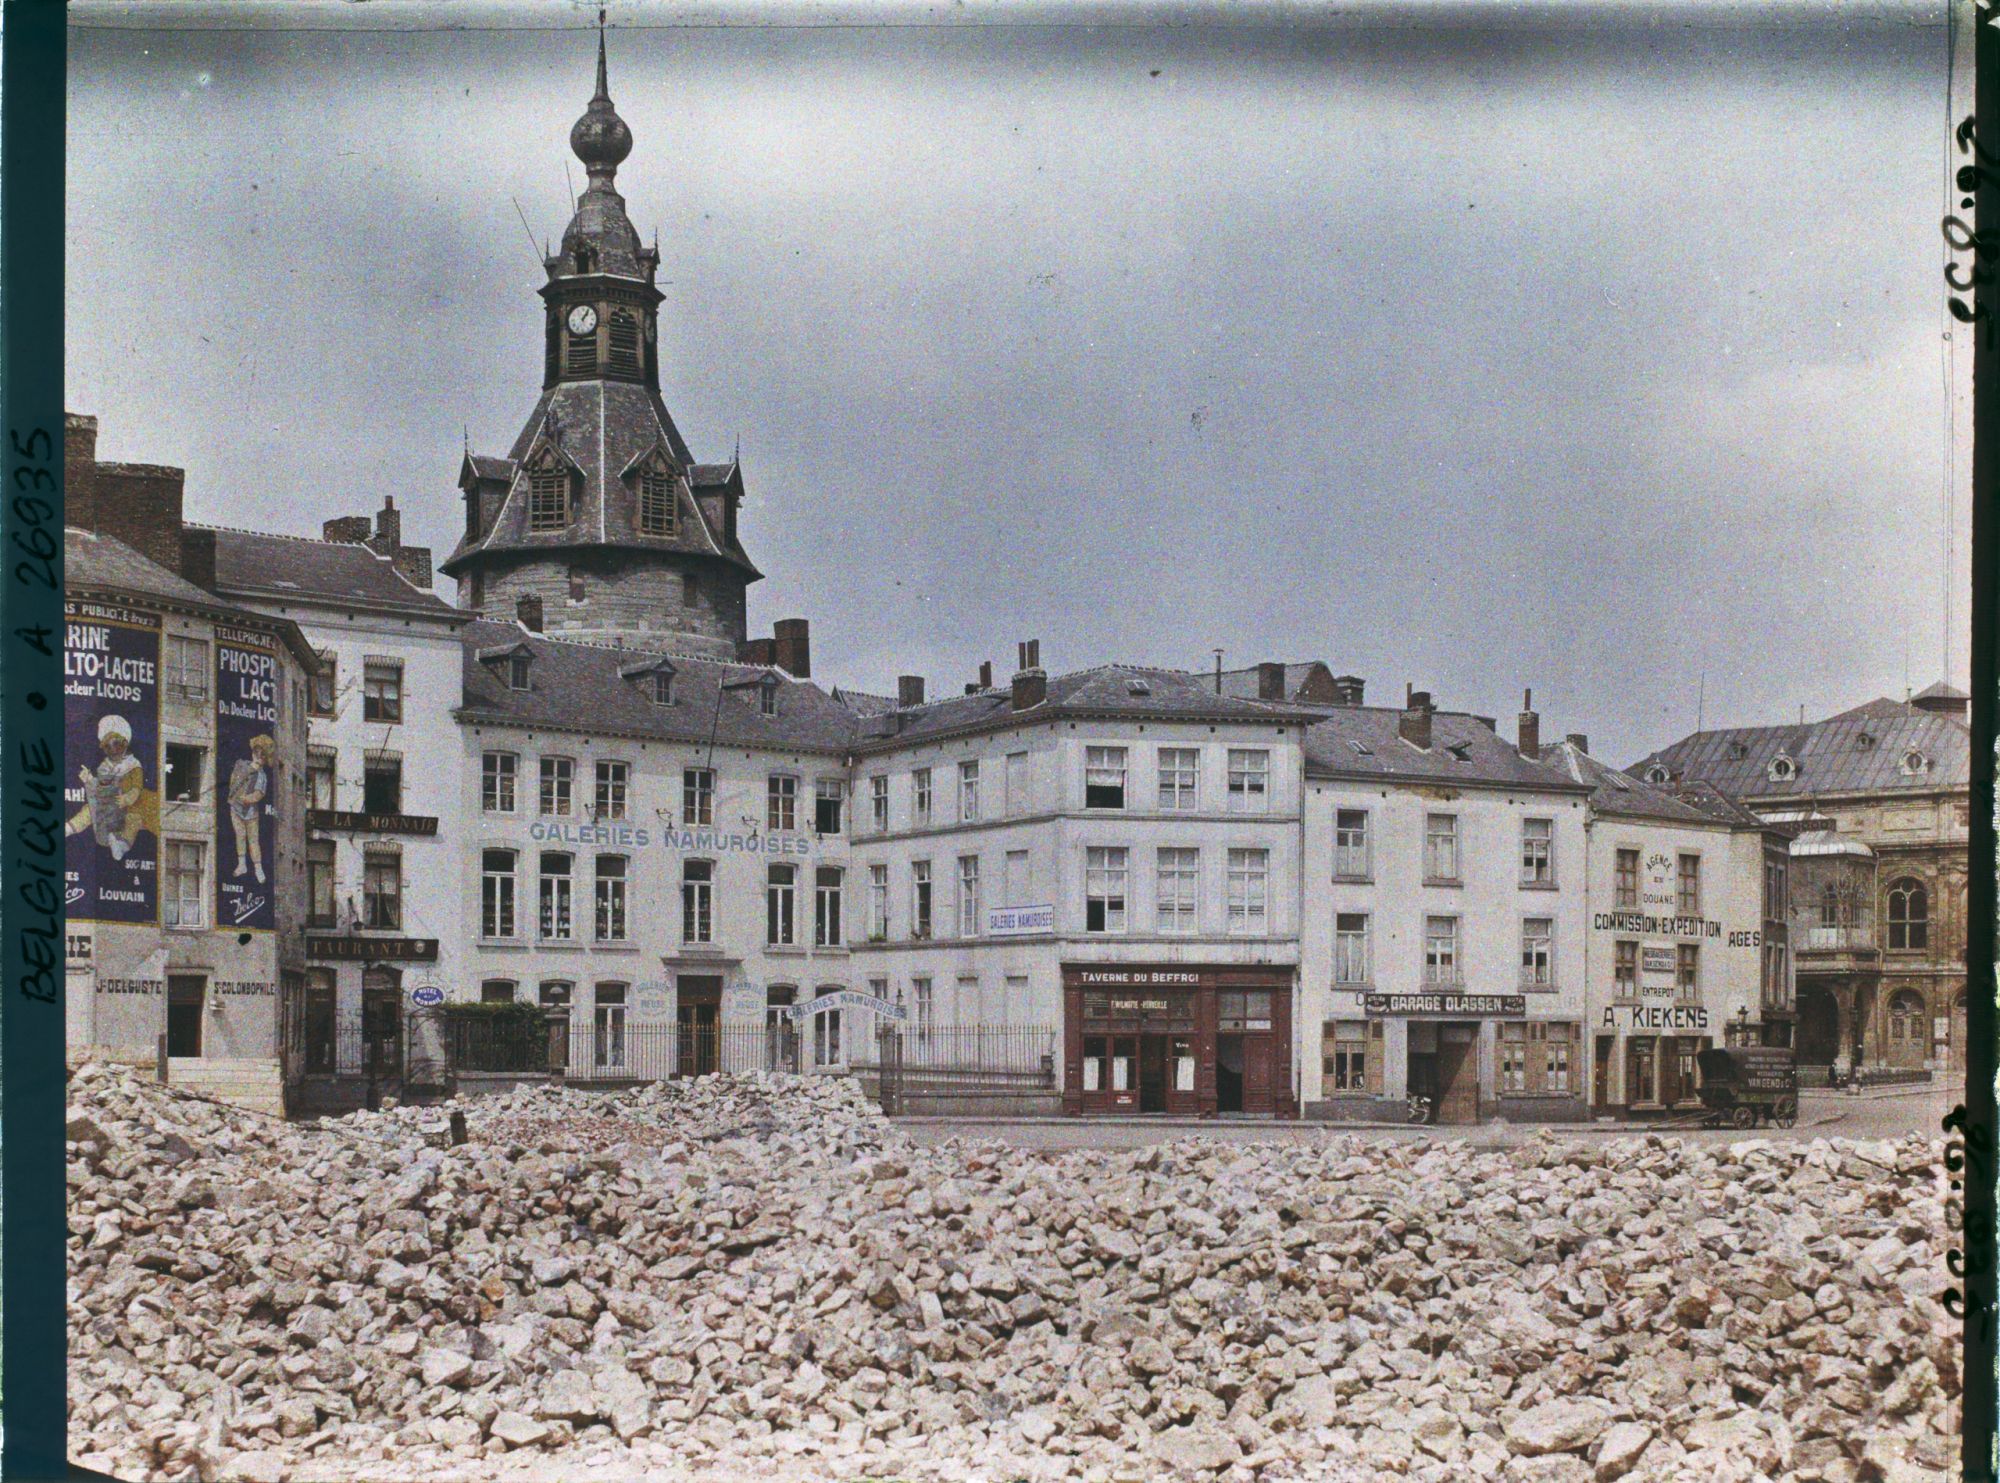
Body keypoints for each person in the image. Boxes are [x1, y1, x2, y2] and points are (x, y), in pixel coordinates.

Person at [66, 713, 157, 859]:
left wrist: (127, 799)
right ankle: (68, 828)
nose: (111, 749)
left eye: (114, 744)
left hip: (131, 807)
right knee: (90, 809)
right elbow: (101, 788)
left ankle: (121, 846)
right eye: (106, 746)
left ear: (124, 743)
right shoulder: (105, 767)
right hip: (110, 808)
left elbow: (136, 788)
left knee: (133, 819)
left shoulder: (133, 765)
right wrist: (89, 779)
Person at [226, 733, 275, 883]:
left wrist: (247, 799)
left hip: (251, 812)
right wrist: (235, 795)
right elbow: (233, 780)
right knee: (239, 836)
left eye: (262, 756)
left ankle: (258, 869)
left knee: (253, 840)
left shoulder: (262, 776)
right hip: (235, 808)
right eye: (256, 753)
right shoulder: (242, 765)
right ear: (253, 752)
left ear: (265, 759)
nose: (258, 757)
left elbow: (259, 794)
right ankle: (242, 865)